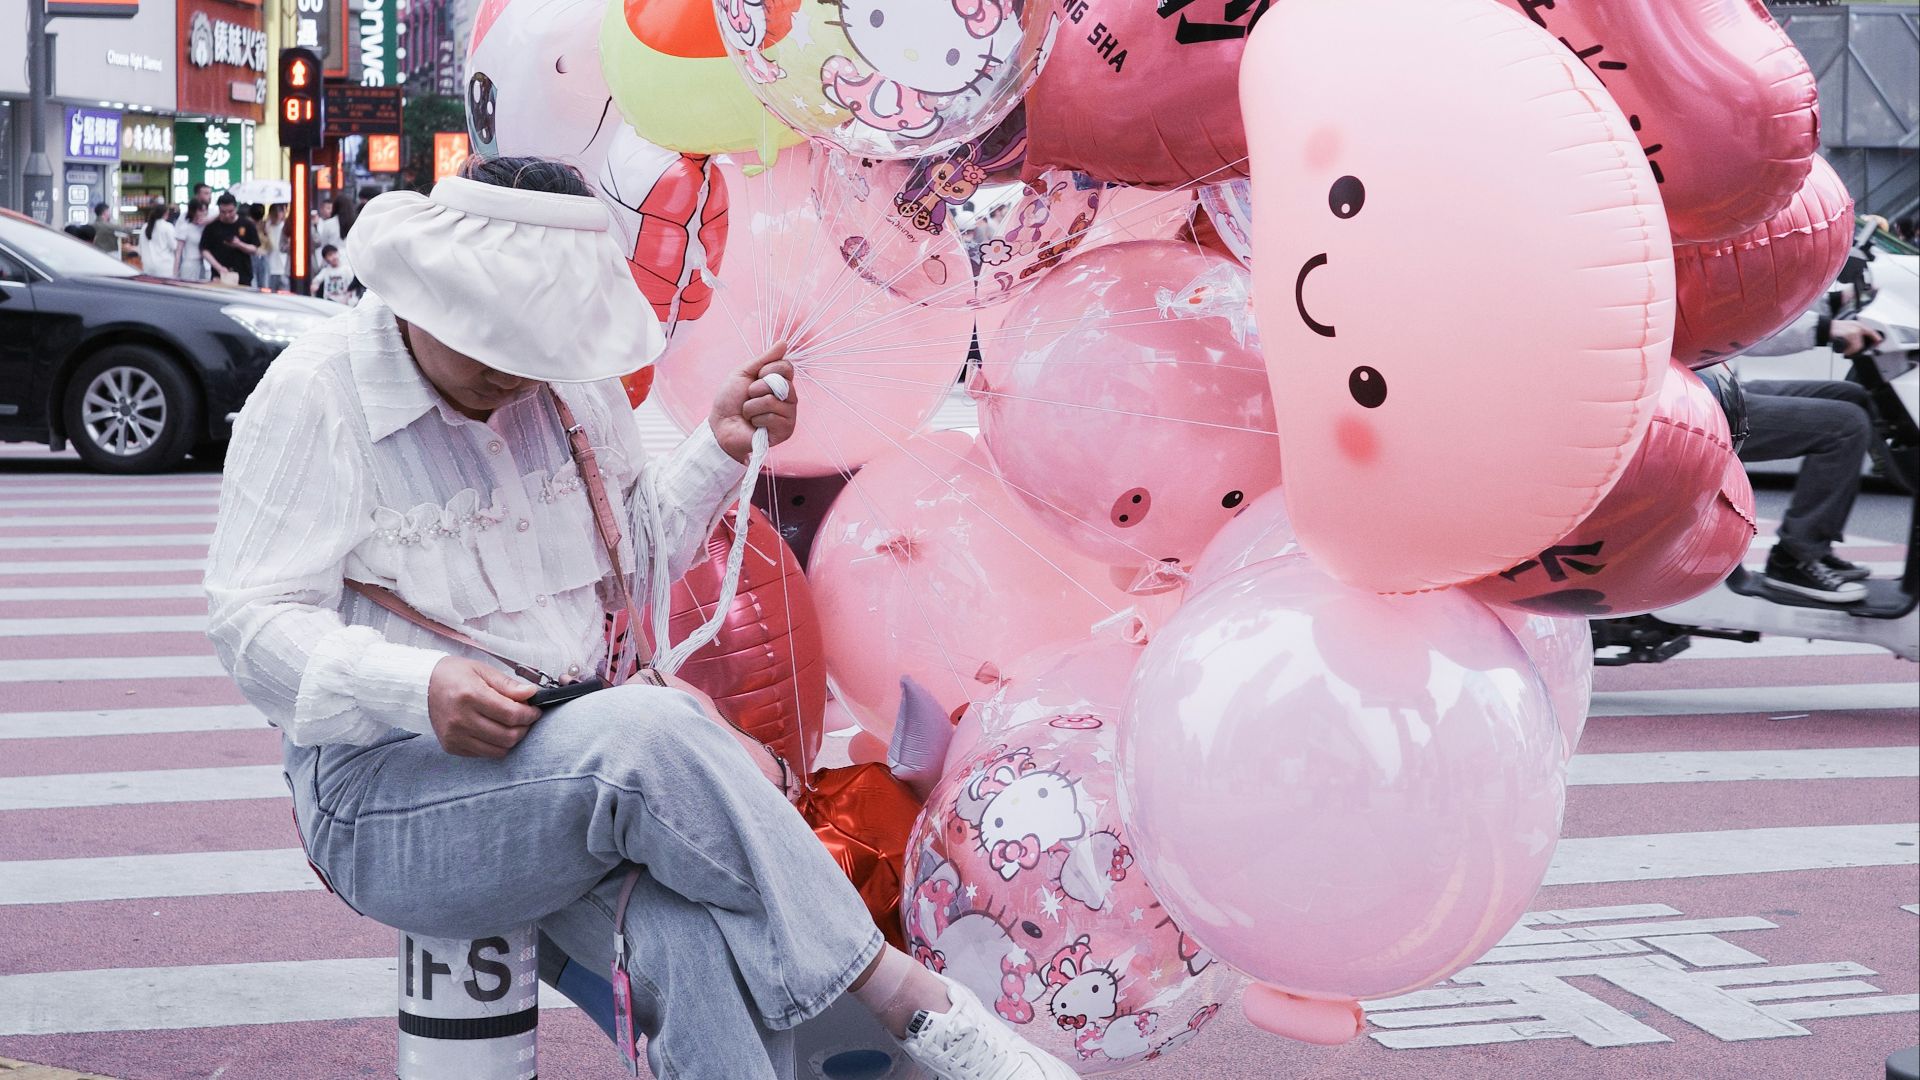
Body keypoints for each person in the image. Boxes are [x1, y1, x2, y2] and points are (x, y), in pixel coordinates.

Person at [204, 155, 1077, 1080]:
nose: (514, 372)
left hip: (581, 779)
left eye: (537, 348)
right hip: (387, 806)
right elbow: (249, 622)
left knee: (692, 934)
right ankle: (903, 996)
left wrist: (717, 445)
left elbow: (634, 560)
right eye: (493, 341)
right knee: (649, 728)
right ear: (428, 292)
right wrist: (415, 688)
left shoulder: (571, 390)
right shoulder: (316, 395)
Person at [1736, 310, 1885, 604]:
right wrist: (1823, 327)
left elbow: (1751, 310)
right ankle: (1794, 559)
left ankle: (1817, 546)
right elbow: (1739, 325)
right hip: (1696, 401)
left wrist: (1831, 306)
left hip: (1720, 385)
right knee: (1844, 426)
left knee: (1852, 395)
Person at [200, 193, 263, 287]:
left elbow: (255, 249)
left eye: (230, 211)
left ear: (236, 208)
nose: (227, 215)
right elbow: (204, 250)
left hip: (243, 276)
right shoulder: (212, 226)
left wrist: (239, 244)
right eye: (223, 212)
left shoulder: (247, 224)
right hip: (219, 276)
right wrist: (219, 268)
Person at [174, 202, 213, 282]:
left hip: (203, 265)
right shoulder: (185, 228)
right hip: (190, 264)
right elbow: (178, 252)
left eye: (205, 210)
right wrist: (175, 272)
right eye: (201, 210)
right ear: (193, 211)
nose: (204, 213)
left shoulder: (205, 227)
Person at [137, 205, 179, 279]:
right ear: (166, 213)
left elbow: (140, 248)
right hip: (164, 267)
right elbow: (174, 246)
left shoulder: (144, 227)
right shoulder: (168, 226)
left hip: (147, 266)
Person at [311, 197, 344, 276]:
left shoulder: (335, 223)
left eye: (331, 208)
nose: (330, 211)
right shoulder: (317, 223)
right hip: (318, 259)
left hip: (333, 259)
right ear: (321, 209)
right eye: (328, 208)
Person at [263, 204, 291, 291]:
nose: (277, 215)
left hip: (283, 267)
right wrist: (266, 232)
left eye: (279, 212)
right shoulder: (266, 228)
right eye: (274, 213)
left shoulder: (285, 227)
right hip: (270, 267)